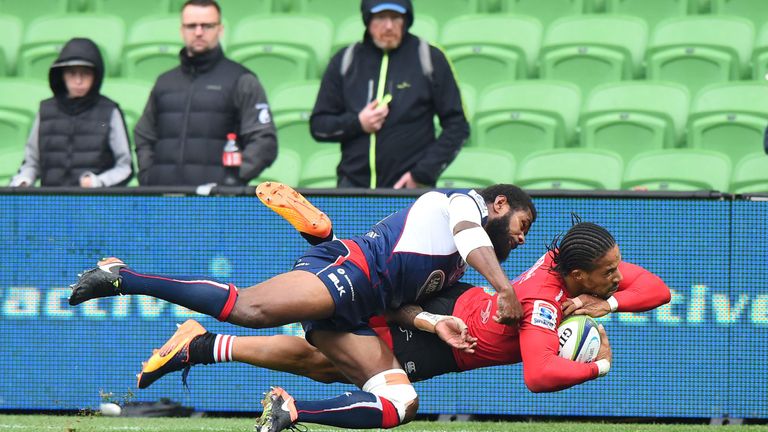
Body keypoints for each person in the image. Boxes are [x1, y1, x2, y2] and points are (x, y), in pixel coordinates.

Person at [69, 182, 535, 431]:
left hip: (358, 312)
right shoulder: (458, 205)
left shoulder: (454, 265)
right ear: (498, 203)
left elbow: (399, 309)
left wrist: (434, 322)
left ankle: (286, 407)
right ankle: (122, 276)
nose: (521, 236)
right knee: (251, 309)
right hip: (353, 274)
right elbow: (471, 236)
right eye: (522, 224)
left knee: (398, 401)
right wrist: (507, 290)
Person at [135, 219, 671, 393]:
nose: (619, 275)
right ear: (577, 274)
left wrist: (613, 301)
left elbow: (658, 289)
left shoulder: (571, 263)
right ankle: (322, 249)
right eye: (610, 273)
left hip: (452, 300)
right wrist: (597, 364)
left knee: (326, 361)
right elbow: (539, 373)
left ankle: (200, 345)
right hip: (452, 337)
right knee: (333, 362)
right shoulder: (542, 306)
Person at [309, 0, 469, 189]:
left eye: (396, 17)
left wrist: (422, 174)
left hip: (410, 191)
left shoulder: (430, 57)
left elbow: (458, 126)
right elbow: (319, 126)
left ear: (406, 20)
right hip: (353, 189)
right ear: (368, 20)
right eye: (380, 17)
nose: (389, 26)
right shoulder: (345, 59)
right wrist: (358, 123)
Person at [133, 0, 277, 186]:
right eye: (191, 26)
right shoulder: (164, 82)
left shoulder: (241, 79)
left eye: (207, 26)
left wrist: (231, 180)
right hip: (164, 202)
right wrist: (150, 176)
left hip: (216, 204)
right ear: (181, 30)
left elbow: (264, 141)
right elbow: (144, 134)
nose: (199, 32)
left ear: (220, 29)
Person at [10, 38, 133, 187]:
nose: (78, 81)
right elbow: (32, 163)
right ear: (61, 75)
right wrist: (24, 180)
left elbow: (125, 167)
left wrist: (98, 182)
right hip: (51, 204)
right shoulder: (45, 111)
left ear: (96, 76)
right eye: (72, 73)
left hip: (95, 206)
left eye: (85, 73)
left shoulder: (109, 111)